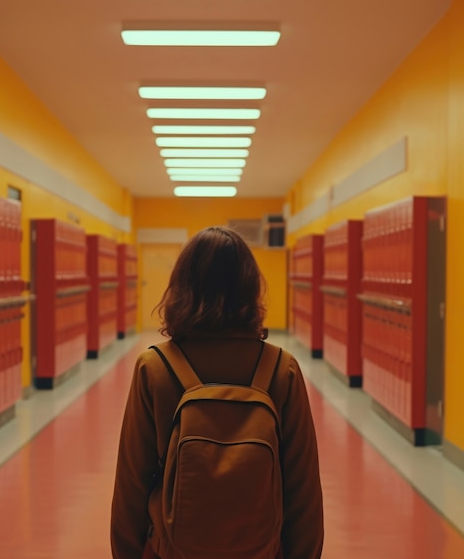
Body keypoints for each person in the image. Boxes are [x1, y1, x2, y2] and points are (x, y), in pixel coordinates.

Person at [111, 226, 324, 559]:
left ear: (182, 287)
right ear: (250, 288)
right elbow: (303, 490)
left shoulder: (154, 368)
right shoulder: (282, 369)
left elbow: (131, 485)